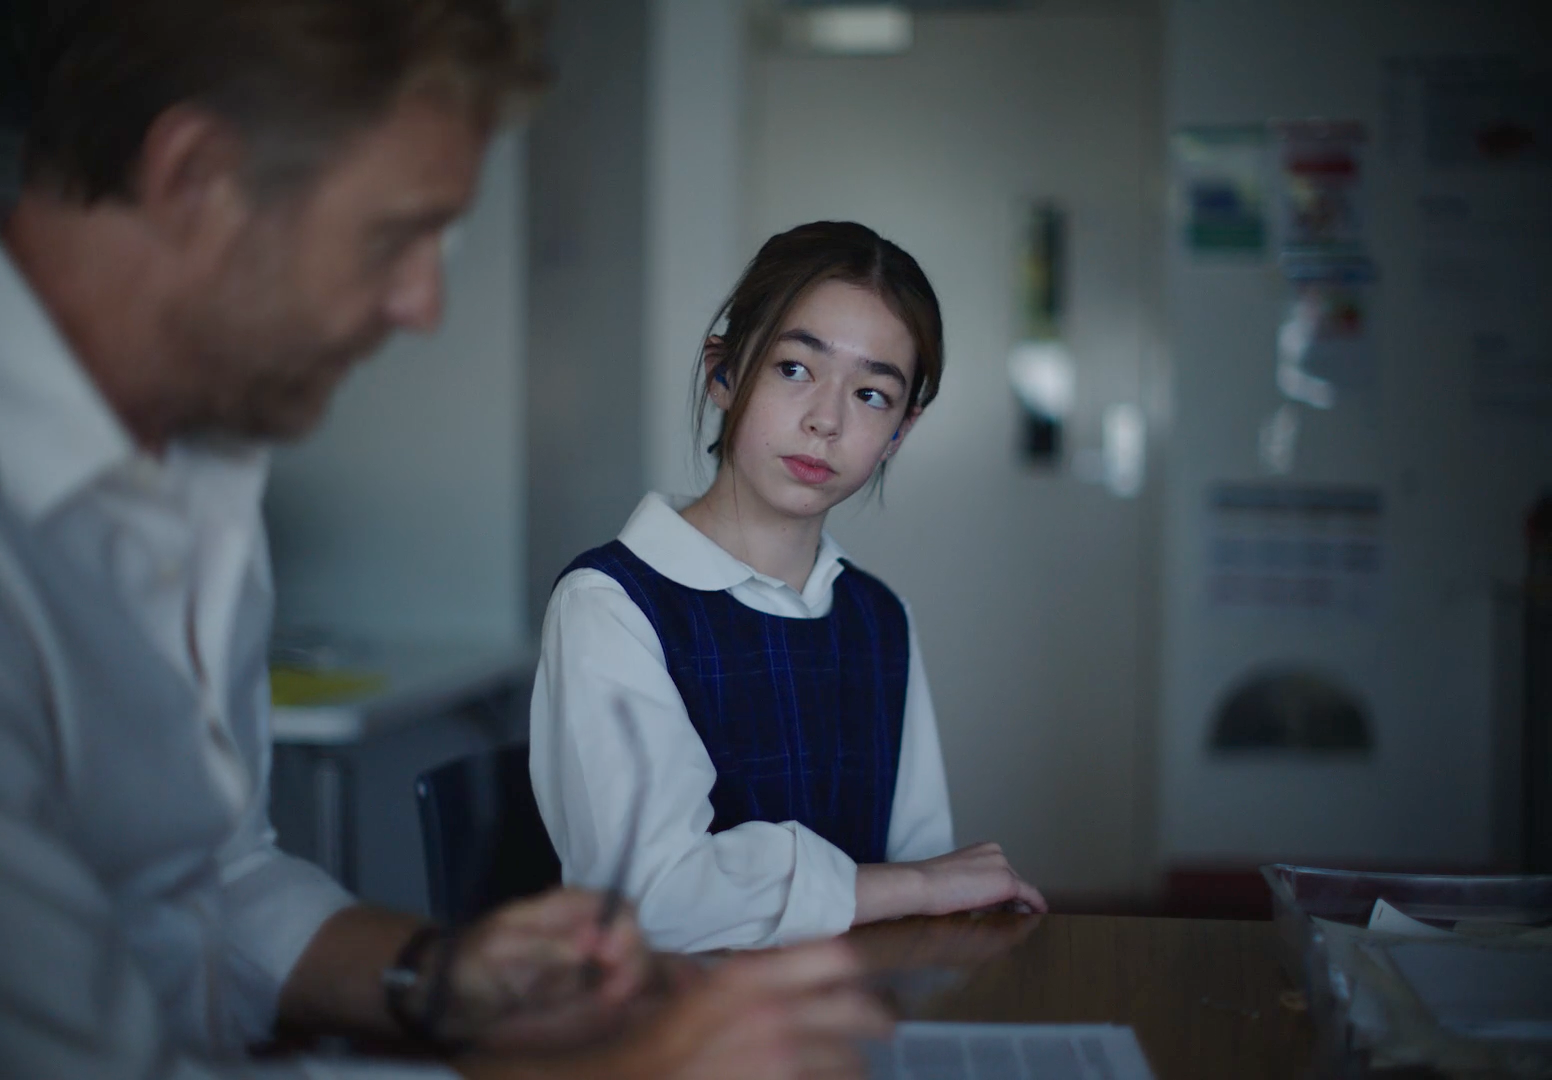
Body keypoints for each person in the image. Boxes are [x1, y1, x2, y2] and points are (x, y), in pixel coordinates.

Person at [0, 3, 888, 1078]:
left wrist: (434, 974)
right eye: (396, 236)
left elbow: (213, 878)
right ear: (194, 178)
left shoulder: (203, 470)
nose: (425, 304)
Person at [529, 221, 1047, 953]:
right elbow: (648, 898)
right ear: (724, 373)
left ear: (901, 431)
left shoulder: (877, 618)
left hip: (849, 1026)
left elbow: (922, 868)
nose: (825, 421)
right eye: (795, 369)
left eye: (872, 395)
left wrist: (921, 890)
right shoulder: (610, 605)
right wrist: (917, 886)